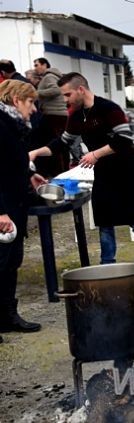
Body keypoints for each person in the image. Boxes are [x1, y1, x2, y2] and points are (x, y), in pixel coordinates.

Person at [29, 73, 134, 281]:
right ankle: (107, 266)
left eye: (68, 94)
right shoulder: (76, 115)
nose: (65, 100)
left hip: (124, 169)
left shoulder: (109, 109)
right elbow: (63, 143)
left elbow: (125, 138)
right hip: (102, 172)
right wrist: (36, 152)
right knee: (104, 219)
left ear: (81, 90)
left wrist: (95, 154)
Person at [0, 80, 47, 339]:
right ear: (16, 100)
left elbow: (13, 160)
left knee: (11, 262)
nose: (34, 109)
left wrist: (31, 175)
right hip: (4, 206)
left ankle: (7, 316)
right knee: (1, 262)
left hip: (15, 203)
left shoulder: (13, 125)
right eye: (30, 103)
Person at [33, 58, 69, 176]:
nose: (35, 67)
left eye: (37, 65)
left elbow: (56, 90)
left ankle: (60, 172)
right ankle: (62, 170)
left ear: (44, 65)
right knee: (60, 143)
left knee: (56, 144)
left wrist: (36, 93)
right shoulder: (54, 76)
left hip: (54, 115)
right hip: (57, 114)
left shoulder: (49, 76)